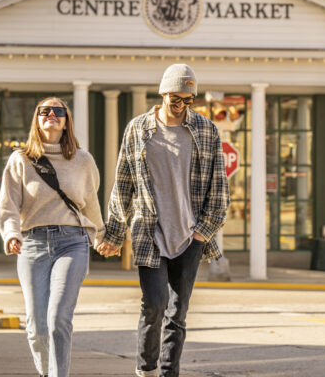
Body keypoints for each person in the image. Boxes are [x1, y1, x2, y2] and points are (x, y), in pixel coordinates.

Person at [98, 63, 229, 377]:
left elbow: (219, 190)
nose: (182, 105)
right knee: (155, 304)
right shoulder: (138, 129)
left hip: (190, 237)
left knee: (177, 314)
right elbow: (123, 184)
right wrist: (114, 235)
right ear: (163, 93)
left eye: (188, 99)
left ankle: (170, 373)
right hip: (149, 233)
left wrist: (202, 233)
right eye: (176, 98)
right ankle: (147, 369)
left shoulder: (206, 130)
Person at [0, 97, 105, 377]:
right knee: (36, 326)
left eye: (59, 111)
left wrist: (100, 236)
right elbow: (7, 204)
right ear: (37, 119)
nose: (51, 115)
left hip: (72, 242)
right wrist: (11, 233)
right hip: (32, 244)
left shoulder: (82, 160)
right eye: (44, 111)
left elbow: (90, 204)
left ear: (67, 121)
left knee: (58, 319)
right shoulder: (20, 159)